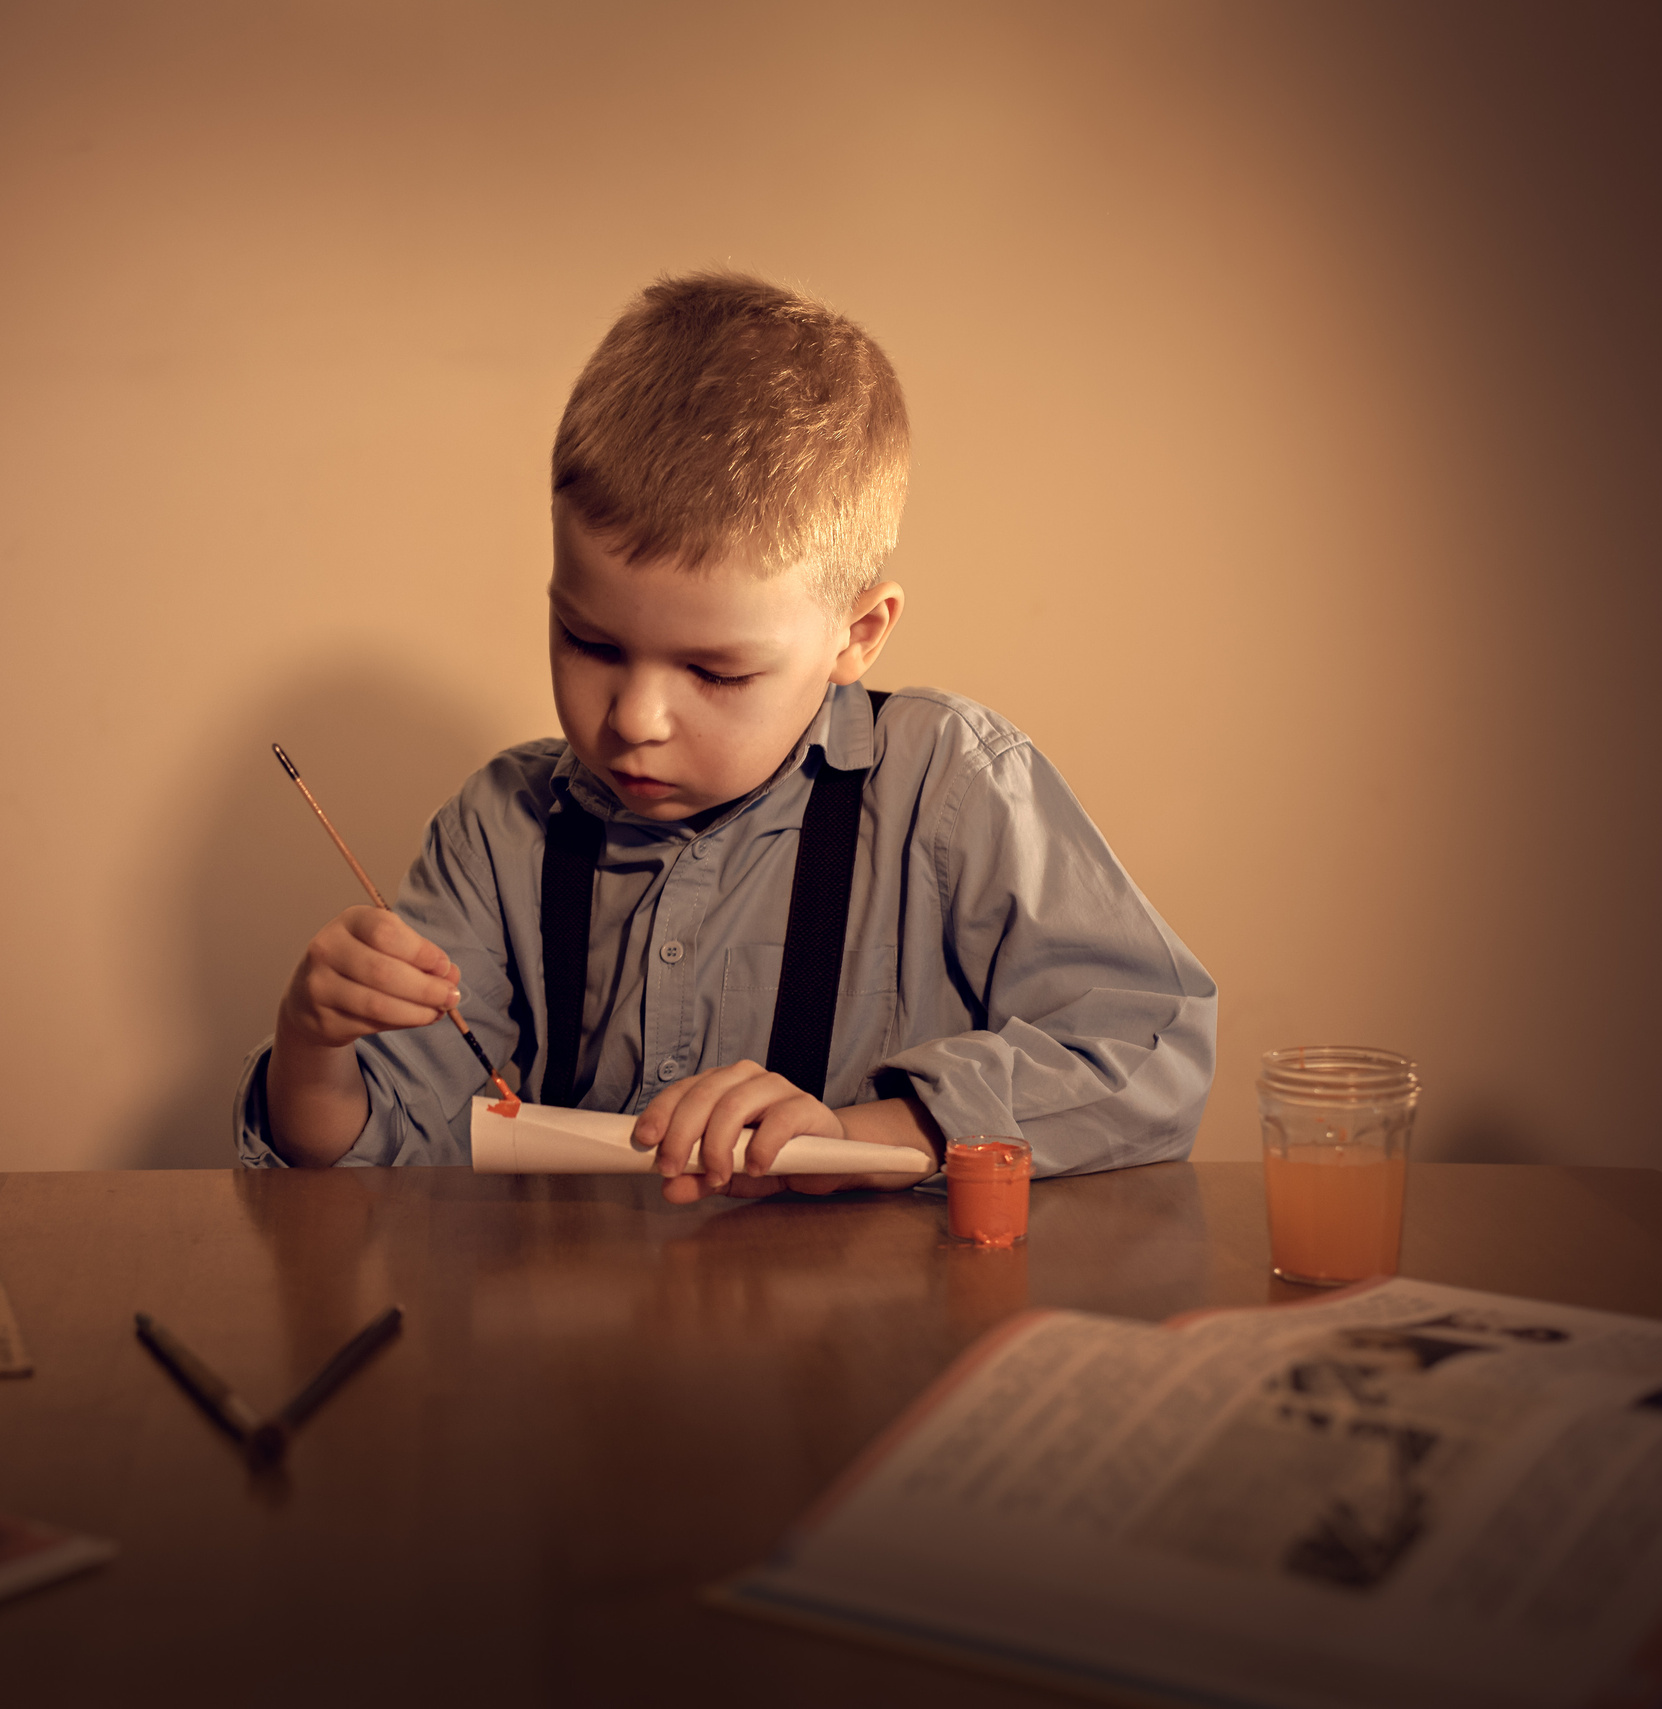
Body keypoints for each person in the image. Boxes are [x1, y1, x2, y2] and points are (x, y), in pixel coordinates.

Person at [235, 271, 1215, 1202]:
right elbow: (375, 1162)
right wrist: (311, 1048)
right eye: (588, 640)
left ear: (856, 634)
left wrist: (868, 1132)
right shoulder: (499, 831)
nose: (633, 719)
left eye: (714, 671)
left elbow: (1152, 1046)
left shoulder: (951, 785)